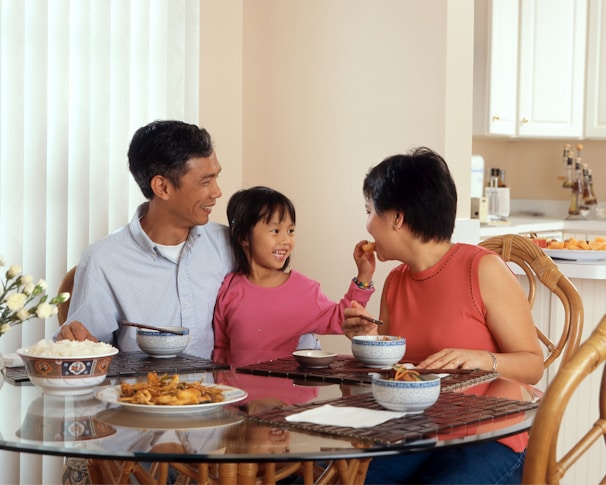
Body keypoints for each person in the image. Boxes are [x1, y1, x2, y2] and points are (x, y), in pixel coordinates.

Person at [341, 147, 544, 484]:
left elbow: (533, 365)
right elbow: (397, 372)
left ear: (397, 218)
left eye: (370, 211)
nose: (367, 225)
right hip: (420, 430)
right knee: (349, 478)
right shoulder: (394, 282)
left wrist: (480, 358)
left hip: (491, 431)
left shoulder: (482, 269)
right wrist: (366, 340)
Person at [55, 120, 235, 358]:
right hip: (139, 393)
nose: (217, 192)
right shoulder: (104, 260)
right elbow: (84, 351)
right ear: (162, 187)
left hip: (223, 394)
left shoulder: (230, 245)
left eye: (216, 178)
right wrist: (75, 343)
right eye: (205, 182)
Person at [212, 186, 376, 367]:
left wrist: (364, 276)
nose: (286, 240)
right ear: (243, 237)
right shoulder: (229, 287)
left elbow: (343, 318)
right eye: (275, 231)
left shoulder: (304, 289)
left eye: (290, 231)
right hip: (240, 392)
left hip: (289, 392)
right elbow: (221, 348)